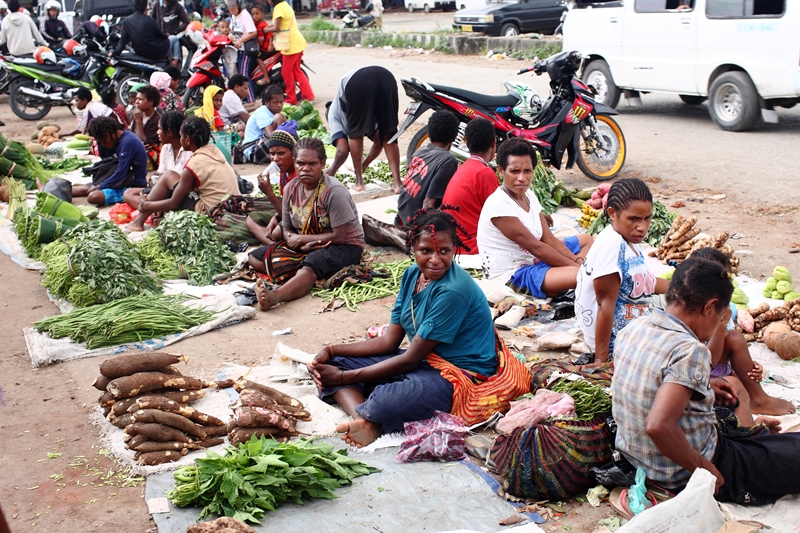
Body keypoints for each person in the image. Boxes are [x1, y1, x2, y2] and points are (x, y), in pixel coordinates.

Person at [308, 208, 531, 448]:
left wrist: (343, 377)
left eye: (444, 251)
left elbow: (410, 359)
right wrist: (331, 350)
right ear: (412, 248)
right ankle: (366, 421)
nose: (435, 260)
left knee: (384, 402)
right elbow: (389, 342)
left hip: (458, 374)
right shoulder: (412, 275)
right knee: (329, 366)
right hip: (427, 361)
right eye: (426, 251)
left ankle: (370, 414)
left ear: (454, 249)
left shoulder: (452, 290)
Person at [612, 256, 800, 504]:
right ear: (710, 307)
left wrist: (704, 386)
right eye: (722, 316)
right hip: (682, 470)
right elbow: (658, 425)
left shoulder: (634, 328)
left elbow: (646, 381)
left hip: (639, 459)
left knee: (776, 441)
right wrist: (704, 470)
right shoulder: (690, 350)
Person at [250, 138, 365, 309]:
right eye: (300, 163)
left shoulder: (334, 192)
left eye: (312, 163)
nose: (305, 169)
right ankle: (304, 275)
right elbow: (287, 228)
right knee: (255, 257)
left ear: (322, 163)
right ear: (294, 163)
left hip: (344, 247)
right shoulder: (291, 188)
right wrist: (294, 242)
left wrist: (301, 240)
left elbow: (339, 236)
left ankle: (277, 295)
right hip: (307, 243)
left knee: (312, 263)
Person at [477, 138, 592, 298]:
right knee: (579, 276)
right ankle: (568, 276)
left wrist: (576, 262)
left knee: (588, 240)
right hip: (514, 275)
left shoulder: (528, 195)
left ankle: (568, 275)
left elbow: (548, 239)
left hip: (536, 261)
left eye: (527, 171)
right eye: (515, 171)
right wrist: (578, 269)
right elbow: (536, 247)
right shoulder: (498, 205)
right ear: (501, 171)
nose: (522, 178)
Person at [574, 178, 669, 367]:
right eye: (634, 219)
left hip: (633, 323)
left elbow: (644, 282)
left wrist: (684, 286)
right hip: (616, 343)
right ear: (613, 213)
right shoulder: (612, 244)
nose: (642, 227)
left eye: (647, 218)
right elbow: (605, 304)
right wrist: (601, 359)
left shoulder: (626, 240)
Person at [693, 247, 795, 417]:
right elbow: (705, 362)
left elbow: (729, 347)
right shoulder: (693, 315)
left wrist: (747, 365)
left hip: (721, 370)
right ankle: (757, 401)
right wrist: (720, 326)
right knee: (732, 342)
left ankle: (758, 398)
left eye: (727, 281)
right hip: (700, 379)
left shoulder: (726, 308)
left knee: (734, 337)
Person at [125, 117, 239, 231]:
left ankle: (138, 222)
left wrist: (145, 205)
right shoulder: (214, 150)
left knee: (168, 177)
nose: (180, 139)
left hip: (211, 211)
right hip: (232, 205)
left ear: (188, 140)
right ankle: (143, 218)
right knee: (170, 177)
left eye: (181, 136)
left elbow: (174, 203)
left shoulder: (194, 163)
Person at [327, 66, 400, 192]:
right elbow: (380, 141)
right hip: (386, 76)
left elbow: (342, 151)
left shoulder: (333, 115)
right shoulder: (366, 110)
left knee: (355, 134)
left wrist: (331, 171)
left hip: (358, 82)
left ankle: (359, 182)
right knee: (388, 133)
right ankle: (397, 184)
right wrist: (365, 163)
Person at [441, 118, 498, 255]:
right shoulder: (485, 173)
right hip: (471, 248)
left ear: (467, 145)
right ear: (493, 143)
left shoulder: (464, 168)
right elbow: (502, 218)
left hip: (451, 243)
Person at [397, 110, 459, 226]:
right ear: (455, 137)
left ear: (429, 133)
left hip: (403, 214)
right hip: (416, 223)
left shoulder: (420, 151)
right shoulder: (448, 160)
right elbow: (428, 204)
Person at [73, 116, 148, 206]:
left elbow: (121, 172)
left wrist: (100, 186)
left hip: (132, 184)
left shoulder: (128, 142)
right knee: (86, 188)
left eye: (101, 141)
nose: (102, 144)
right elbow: (105, 159)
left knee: (93, 196)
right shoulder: (117, 139)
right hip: (121, 179)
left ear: (107, 135)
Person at [245, 120, 297, 243]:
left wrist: (269, 193)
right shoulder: (283, 173)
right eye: (272, 154)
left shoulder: (299, 176)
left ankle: (273, 246)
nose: (275, 159)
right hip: (289, 214)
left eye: (281, 153)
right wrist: (275, 217)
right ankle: (272, 244)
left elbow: (292, 218)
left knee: (277, 232)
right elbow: (285, 206)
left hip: (300, 219)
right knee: (250, 219)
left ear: (294, 153)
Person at [265, 0, 314, 105]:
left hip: (290, 44)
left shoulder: (278, 8)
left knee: (286, 73)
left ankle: (291, 98)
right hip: (297, 41)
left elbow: (276, 28)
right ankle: (309, 96)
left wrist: (264, 30)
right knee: (296, 71)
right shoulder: (285, 5)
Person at [243, 84, 286, 163]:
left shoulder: (271, 112)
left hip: (262, 147)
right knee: (280, 118)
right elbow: (272, 136)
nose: (279, 105)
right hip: (254, 151)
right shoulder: (262, 111)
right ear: (266, 102)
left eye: (281, 102)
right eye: (275, 102)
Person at [225, 0, 258, 102]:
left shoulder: (244, 15)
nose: (232, 9)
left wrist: (240, 41)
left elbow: (253, 32)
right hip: (237, 50)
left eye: (233, 6)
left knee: (243, 76)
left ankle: (251, 101)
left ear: (238, 5)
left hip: (246, 50)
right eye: (229, 7)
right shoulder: (234, 16)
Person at [131, 84, 162, 167]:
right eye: (136, 99)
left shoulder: (156, 119)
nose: (136, 102)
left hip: (152, 153)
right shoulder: (140, 114)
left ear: (151, 102)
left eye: (140, 99)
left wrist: (138, 121)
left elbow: (144, 141)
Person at [152, 0, 189, 66]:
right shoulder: (157, 6)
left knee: (176, 64)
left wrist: (175, 31)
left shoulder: (177, 6)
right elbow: (152, 21)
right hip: (161, 40)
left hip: (174, 40)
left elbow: (186, 22)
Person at [250, 3, 275, 85]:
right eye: (253, 14)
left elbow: (270, 34)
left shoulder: (264, 24)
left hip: (266, 48)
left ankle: (266, 77)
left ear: (262, 14)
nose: (255, 16)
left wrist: (270, 45)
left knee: (259, 59)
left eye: (257, 13)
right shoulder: (253, 24)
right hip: (259, 48)